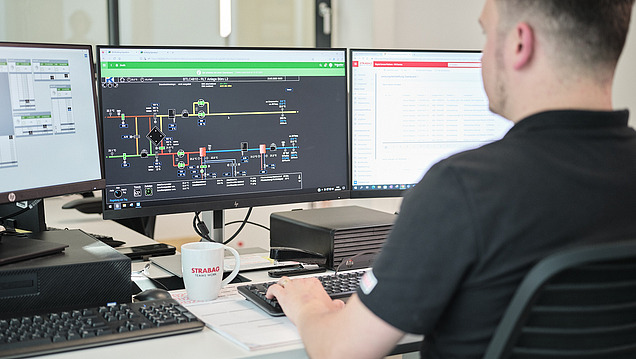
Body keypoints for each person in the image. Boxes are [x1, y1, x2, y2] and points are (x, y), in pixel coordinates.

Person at [266, 0, 636, 358]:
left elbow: (341, 351)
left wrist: (309, 305)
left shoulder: (461, 188)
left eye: (487, 34)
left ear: (519, 43)